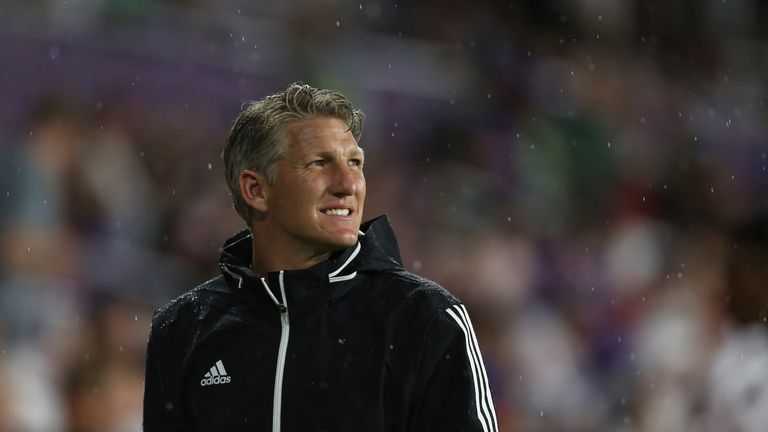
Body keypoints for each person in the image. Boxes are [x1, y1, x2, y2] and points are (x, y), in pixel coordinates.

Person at [143, 82, 499, 431]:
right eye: (318, 163)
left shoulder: (424, 318)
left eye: (355, 162)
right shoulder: (182, 328)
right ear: (256, 190)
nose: (348, 184)